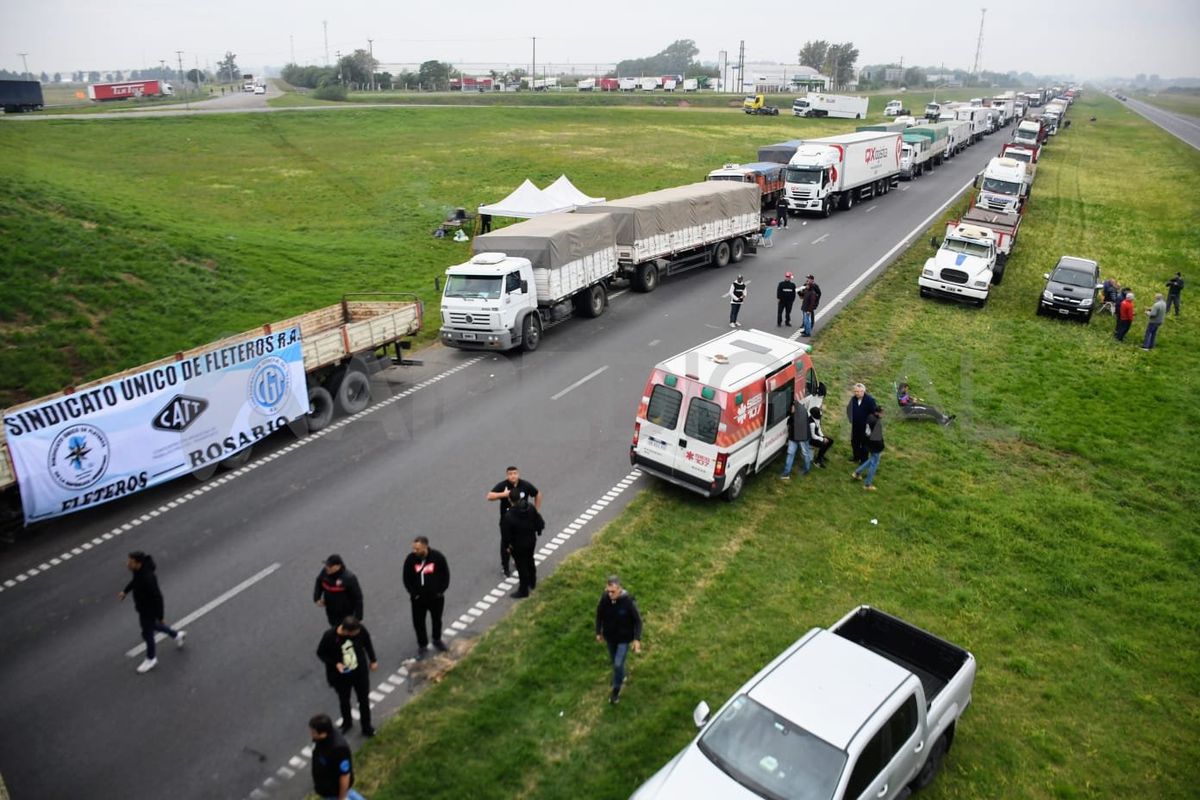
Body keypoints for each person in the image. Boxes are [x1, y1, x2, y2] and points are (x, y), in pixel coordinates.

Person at [118, 551, 185, 674]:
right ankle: (176, 635)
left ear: (138, 563)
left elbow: (158, 597)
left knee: (148, 634)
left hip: (148, 610)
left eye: (130, 562)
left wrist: (160, 616)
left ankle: (151, 658)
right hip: (143, 608)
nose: (127, 564)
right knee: (153, 627)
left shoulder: (148, 578)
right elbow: (135, 581)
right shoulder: (138, 571)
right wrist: (125, 591)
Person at [316, 616, 378, 736]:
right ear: (346, 631)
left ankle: (366, 727)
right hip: (341, 676)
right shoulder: (330, 636)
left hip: (360, 673)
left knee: (364, 700)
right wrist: (336, 663)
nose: (357, 634)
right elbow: (321, 653)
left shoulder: (360, 629)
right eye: (355, 633)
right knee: (344, 700)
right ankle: (347, 722)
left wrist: (373, 659)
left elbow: (367, 642)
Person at [595, 576, 643, 705]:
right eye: (608, 590)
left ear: (619, 589)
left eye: (613, 591)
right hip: (610, 637)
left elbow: (638, 621)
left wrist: (637, 639)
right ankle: (622, 675)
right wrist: (598, 631)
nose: (610, 594)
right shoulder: (604, 599)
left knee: (617, 664)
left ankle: (615, 692)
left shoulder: (628, 602)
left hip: (623, 639)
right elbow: (599, 615)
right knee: (615, 662)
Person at [487, 466, 541, 578]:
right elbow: (489, 496)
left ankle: (517, 561)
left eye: (515, 473)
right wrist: (504, 495)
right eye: (510, 474)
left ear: (518, 474)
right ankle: (505, 568)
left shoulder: (525, 485)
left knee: (521, 543)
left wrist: (535, 511)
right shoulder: (503, 486)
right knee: (506, 544)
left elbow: (537, 494)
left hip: (522, 521)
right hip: (507, 522)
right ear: (507, 476)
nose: (513, 475)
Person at [402, 536, 450, 657]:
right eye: (414, 548)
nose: (414, 551)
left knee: (437, 620)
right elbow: (406, 578)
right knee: (418, 623)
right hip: (418, 600)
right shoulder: (410, 560)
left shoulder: (438, 557)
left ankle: (437, 639)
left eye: (417, 549)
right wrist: (414, 594)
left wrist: (440, 591)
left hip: (436, 599)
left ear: (425, 547)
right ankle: (422, 645)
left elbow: (445, 574)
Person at [308, 713, 366, 800]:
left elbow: (344, 775)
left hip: (335, 793)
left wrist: (342, 798)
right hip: (329, 790)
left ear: (323, 733)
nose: (311, 734)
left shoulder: (339, 749)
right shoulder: (322, 739)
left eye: (313, 732)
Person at [502, 494, 545, 598]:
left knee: (521, 567)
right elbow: (539, 521)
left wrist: (507, 546)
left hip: (518, 545)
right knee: (530, 560)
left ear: (510, 500)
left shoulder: (509, 516)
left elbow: (506, 534)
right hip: (531, 541)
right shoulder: (530, 507)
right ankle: (532, 581)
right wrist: (538, 531)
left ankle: (523, 590)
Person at [314, 555, 365, 629]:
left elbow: (358, 599)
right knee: (335, 629)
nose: (327, 568)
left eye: (330, 566)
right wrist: (317, 598)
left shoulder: (349, 578)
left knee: (346, 633)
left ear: (338, 566)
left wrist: (358, 618)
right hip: (331, 611)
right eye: (326, 565)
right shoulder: (325, 572)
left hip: (346, 614)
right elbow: (319, 582)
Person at [851, 408, 885, 491]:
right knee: (874, 464)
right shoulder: (877, 423)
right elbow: (877, 438)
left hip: (868, 442)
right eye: (882, 413)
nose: (883, 415)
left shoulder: (869, 417)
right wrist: (881, 447)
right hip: (875, 446)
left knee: (872, 460)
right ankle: (867, 484)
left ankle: (857, 473)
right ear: (878, 413)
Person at [779, 397, 812, 480]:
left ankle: (804, 469)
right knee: (798, 453)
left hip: (800, 437)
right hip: (798, 437)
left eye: (791, 408)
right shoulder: (802, 410)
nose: (790, 410)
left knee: (799, 453)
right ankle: (787, 472)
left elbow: (790, 424)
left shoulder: (796, 416)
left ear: (793, 406)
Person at [845, 383, 878, 463]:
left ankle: (864, 460)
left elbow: (874, 413)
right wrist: (851, 420)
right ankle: (856, 457)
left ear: (863, 391)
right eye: (855, 391)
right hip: (855, 426)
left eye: (858, 392)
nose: (856, 393)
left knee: (864, 444)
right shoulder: (853, 399)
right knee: (854, 442)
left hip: (865, 427)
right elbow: (849, 409)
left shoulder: (870, 400)